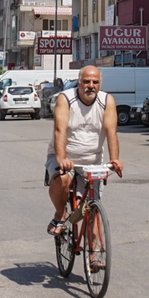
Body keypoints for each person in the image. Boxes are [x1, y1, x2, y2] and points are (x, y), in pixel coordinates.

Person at [46, 65, 122, 244]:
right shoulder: (66, 99)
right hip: (65, 157)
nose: (91, 86)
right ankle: (60, 214)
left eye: (95, 82)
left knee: (91, 209)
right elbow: (59, 130)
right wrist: (61, 158)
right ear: (79, 83)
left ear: (99, 84)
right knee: (62, 179)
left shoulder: (106, 100)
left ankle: (94, 255)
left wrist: (115, 159)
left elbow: (111, 132)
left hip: (92, 161)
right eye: (86, 81)